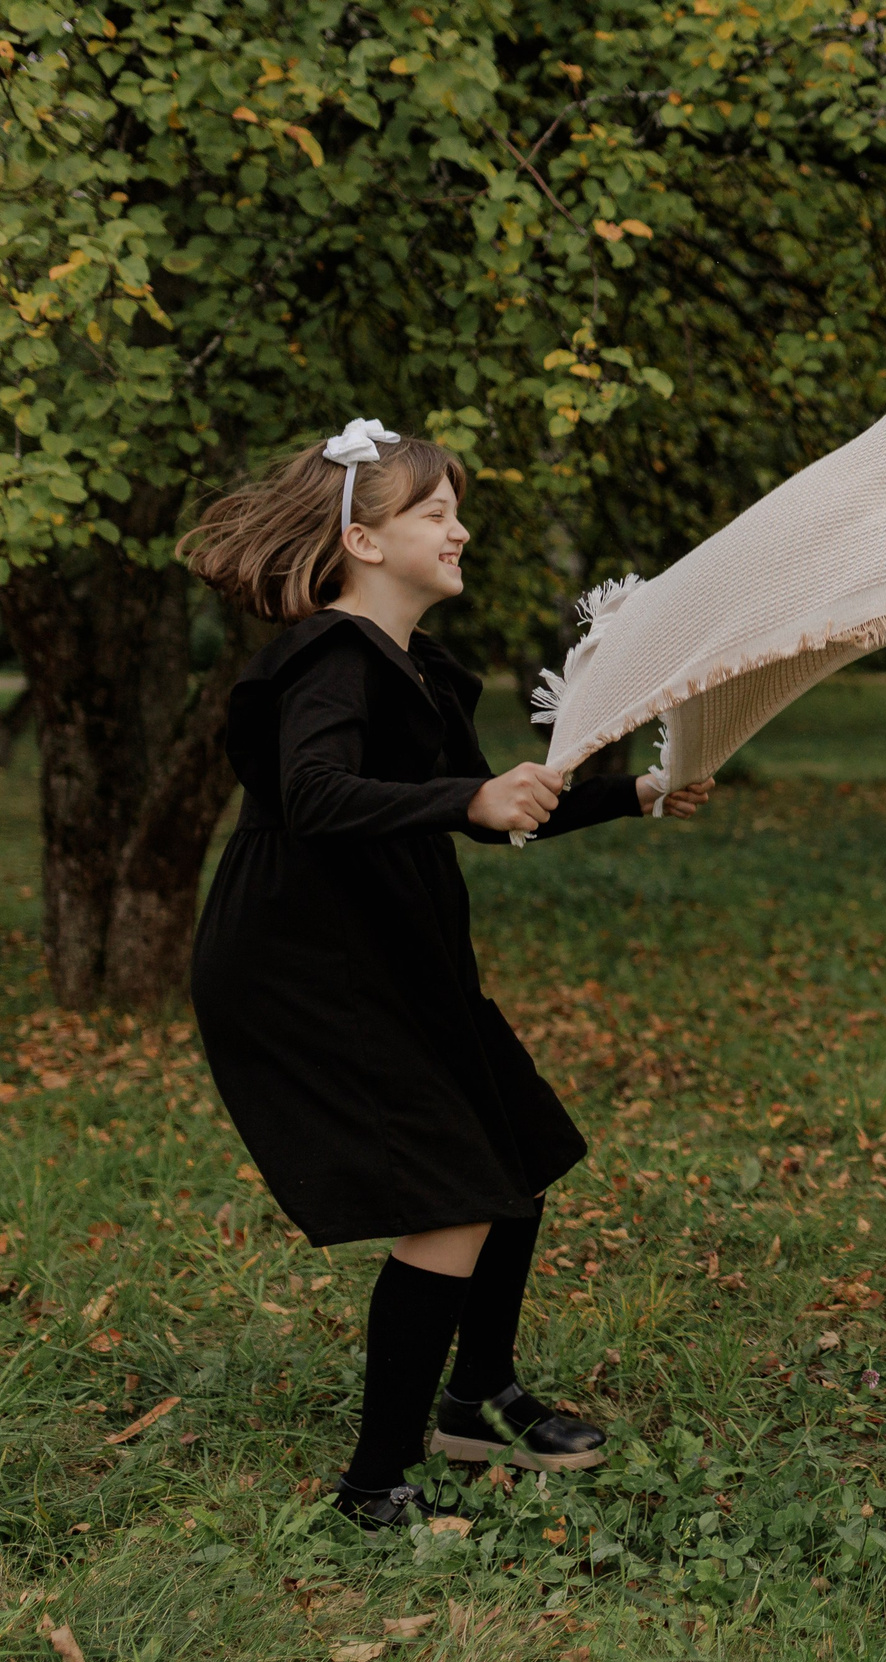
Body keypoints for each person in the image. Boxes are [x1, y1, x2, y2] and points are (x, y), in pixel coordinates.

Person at [181, 419, 712, 1529]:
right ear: (364, 542)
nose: (459, 529)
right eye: (435, 513)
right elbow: (316, 795)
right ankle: (374, 1483)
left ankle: (479, 1401)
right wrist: (464, 800)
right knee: (454, 1195)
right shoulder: (330, 654)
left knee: (509, 1156)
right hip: (306, 968)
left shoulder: (409, 664)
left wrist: (637, 794)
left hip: (393, 951)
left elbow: (487, 809)